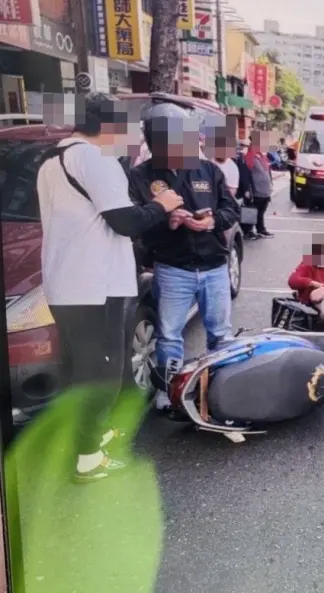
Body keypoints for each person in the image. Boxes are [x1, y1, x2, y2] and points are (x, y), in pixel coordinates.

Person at [36, 93, 184, 482]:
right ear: (106, 126)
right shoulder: (94, 159)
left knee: (78, 369)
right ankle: (87, 458)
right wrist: (163, 204)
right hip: (95, 284)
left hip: (68, 283)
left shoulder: (53, 158)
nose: (132, 134)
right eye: (127, 125)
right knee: (101, 374)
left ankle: (85, 438)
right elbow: (126, 222)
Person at [127, 101, 241, 411]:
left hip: (214, 267)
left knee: (220, 334)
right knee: (169, 336)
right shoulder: (139, 177)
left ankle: (219, 388)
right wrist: (168, 220)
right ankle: (169, 392)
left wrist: (211, 221)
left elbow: (231, 210)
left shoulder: (209, 170)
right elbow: (136, 226)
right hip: (172, 268)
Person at [242, 130, 274, 239]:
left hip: (264, 190)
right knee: (251, 211)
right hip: (255, 190)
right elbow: (245, 173)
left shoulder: (262, 156)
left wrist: (270, 184)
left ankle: (261, 230)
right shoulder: (249, 155)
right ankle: (248, 231)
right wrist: (247, 189)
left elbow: (267, 171)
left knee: (261, 212)